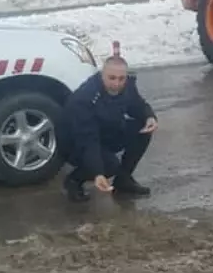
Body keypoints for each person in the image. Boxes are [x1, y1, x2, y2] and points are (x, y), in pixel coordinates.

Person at [59, 55, 158, 202]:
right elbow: (88, 140)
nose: (117, 83)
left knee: (142, 129)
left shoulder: (127, 85)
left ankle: (123, 181)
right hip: (75, 142)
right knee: (110, 166)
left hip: (106, 132)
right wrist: (98, 173)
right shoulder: (86, 97)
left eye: (121, 78)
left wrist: (149, 117)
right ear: (101, 75)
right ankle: (74, 180)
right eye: (111, 78)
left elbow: (137, 105)